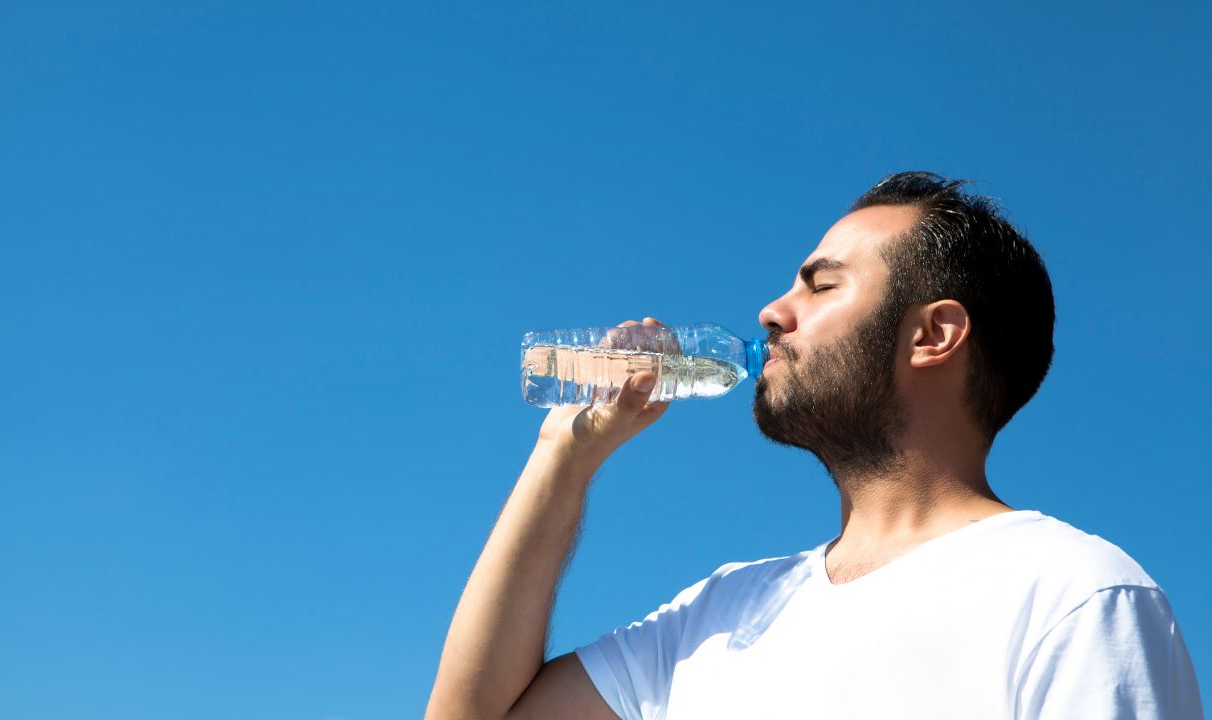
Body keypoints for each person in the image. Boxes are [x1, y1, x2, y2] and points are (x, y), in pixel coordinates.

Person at [425, 172, 1203, 719]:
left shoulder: (1072, 595)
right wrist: (564, 456)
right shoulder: (724, 612)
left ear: (933, 334)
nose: (770, 312)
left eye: (821, 285)